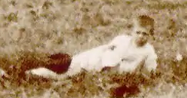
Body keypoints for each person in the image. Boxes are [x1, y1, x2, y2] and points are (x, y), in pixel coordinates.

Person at [26, 15, 158, 81]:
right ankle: (30, 71)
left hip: (102, 70)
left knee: (65, 74)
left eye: (145, 34)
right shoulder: (123, 41)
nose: (141, 36)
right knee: (65, 69)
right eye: (138, 32)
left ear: (150, 35)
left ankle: (35, 71)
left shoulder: (148, 51)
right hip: (95, 60)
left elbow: (149, 71)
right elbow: (109, 60)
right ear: (132, 32)